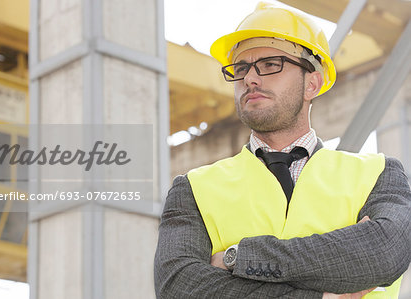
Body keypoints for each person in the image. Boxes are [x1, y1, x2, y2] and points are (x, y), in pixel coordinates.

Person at [154, 2, 411, 298]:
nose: (250, 78)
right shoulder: (193, 190)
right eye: (240, 68)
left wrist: (238, 258)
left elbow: (384, 253)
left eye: (269, 64)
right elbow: (179, 287)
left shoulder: (378, 174)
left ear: (311, 83)